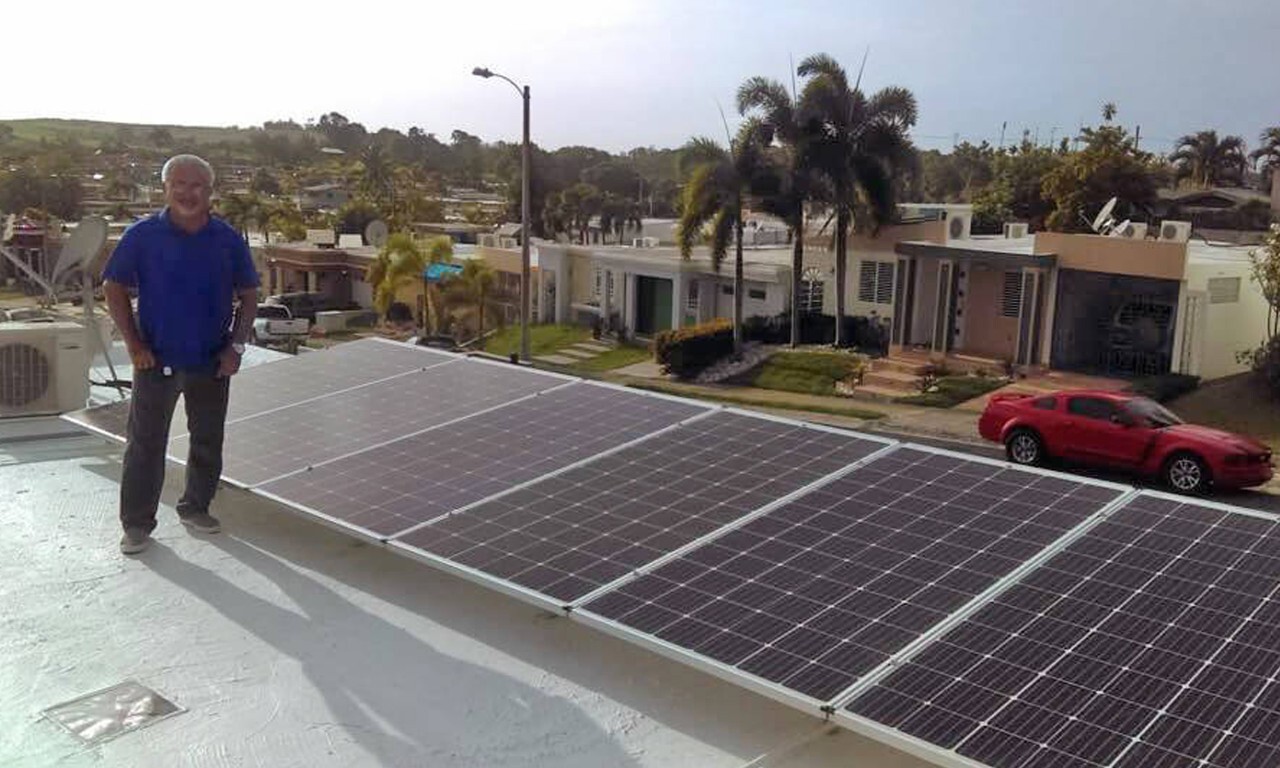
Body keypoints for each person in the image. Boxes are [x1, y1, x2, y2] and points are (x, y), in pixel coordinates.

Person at [103, 154, 259, 555]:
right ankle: (137, 525)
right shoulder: (142, 236)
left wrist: (235, 346)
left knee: (207, 440)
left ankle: (196, 507)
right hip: (155, 361)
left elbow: (249, 294)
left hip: (211, 361)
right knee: (145, 445)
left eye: (197, 186)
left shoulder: (226, 239)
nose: (188, 193)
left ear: (209, 192)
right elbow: (114, 287)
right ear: (166, 188)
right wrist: (135, 345)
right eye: (180, 184)